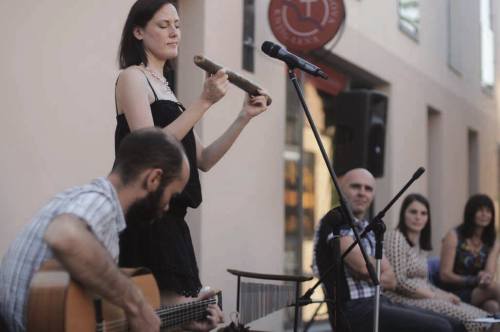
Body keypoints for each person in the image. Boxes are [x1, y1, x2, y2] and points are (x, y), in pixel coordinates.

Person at [114, 0, 268, 328]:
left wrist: (244, 117)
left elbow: (204, 159)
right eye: (163, 25)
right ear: (139, 31)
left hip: (174, 222)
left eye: (178, 25)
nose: (174, 32)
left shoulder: (169, 92)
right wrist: (205, 101)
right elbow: (150, 147)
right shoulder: (132, 78)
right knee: (176, 319)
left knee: (185, 320)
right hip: (149, 219)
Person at [0, 128, 194, 332]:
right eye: (172, 195)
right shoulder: (101, 202)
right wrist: (136, 304)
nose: (167, 207)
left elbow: (99, 311)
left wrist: (182, 316)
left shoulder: (78, 200)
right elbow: (63, 236)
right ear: (153, 178)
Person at [314, 168, 465, 332]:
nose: (362, 193)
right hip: (353, 309)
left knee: (454, 323)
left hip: (379, 300)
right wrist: (371, 269)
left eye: (368, 188)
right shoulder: (335, 221)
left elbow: (391, 280)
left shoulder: (367, 227)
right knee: (440, 327)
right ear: (342, 190)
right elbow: (365, 268)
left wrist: (368, 268)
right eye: (355, 187)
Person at [384, 193, 495, 332]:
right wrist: (437, 296)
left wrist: (445, 295)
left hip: (424, 296)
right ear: (403, 214)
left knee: (483, 316)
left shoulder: (419, 245)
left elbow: (425, 282)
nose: (418, 217)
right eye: (413, 212)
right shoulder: (395, 237)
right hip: (402, 299)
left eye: (423, 213)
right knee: (473, 319)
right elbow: (400, 282)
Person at [440, 194, 500, 313]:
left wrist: (485, 277)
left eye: (488, 211)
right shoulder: (454, 236)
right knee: (493, 287)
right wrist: (472, 280)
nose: (485, 215)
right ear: (471, 213)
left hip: (479, 290)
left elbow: (489, 273)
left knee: (492, 307)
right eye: (480, 210)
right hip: (454, 292)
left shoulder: (493, 241)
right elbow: (445, 275)